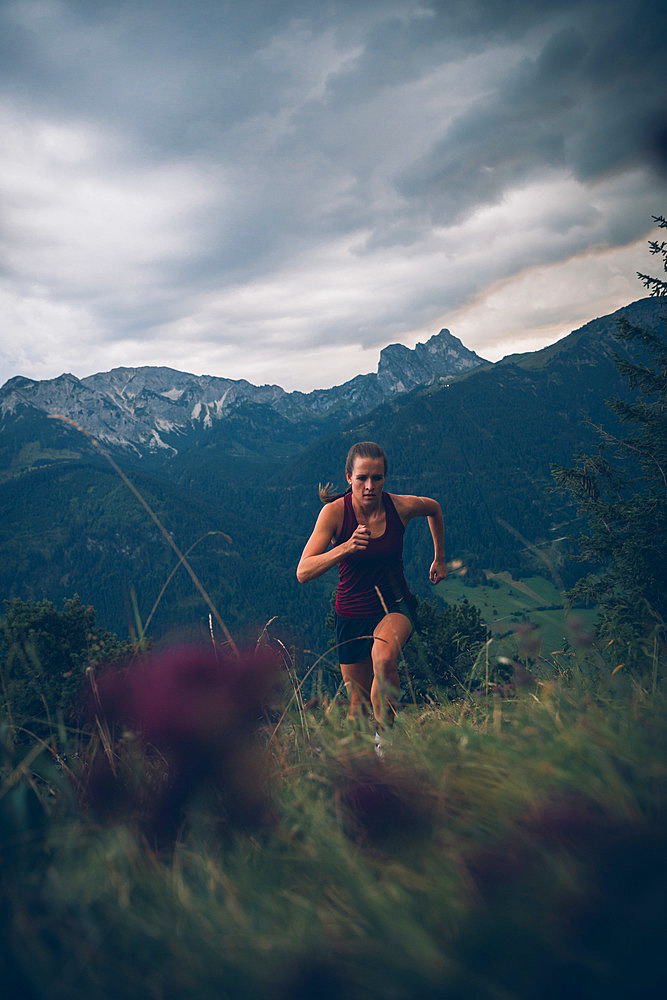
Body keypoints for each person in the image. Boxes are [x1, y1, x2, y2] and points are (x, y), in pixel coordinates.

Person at [296, 441, 446, 735]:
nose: (369, 485)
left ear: (384, 479)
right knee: (359, 705)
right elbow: (303, 571)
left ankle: (385, 743)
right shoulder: (334, 513)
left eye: (377, 478)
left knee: (384, 657)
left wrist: (439, 558)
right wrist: (345, 548)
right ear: (348, 477)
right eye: (362, 477)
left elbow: (434, 509)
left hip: (395, 605)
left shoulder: (399, 507)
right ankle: (362, 760)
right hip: (351, 615)